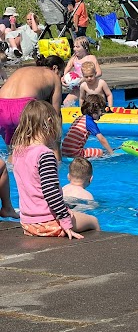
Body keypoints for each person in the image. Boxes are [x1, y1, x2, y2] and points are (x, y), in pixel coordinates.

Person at [12, 101, 99, 238]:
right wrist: (65, 221)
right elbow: (51, 192)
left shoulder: (18, 152)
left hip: (27, 223)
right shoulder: (45, 154)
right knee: (94, 221)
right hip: (48, 223)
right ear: (49, 122)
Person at [0, 55, 64, 146]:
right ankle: (57, 159)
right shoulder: (54, 76)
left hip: (1, 107)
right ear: (55, 68)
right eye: (62, 74)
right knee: (34, 146)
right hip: (23, 107)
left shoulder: (22, 70)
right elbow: (56, 115)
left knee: (12, 149)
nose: (61, 78)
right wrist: (57, 144)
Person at [62, 94, 114, 158]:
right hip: (74, 153)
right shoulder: (89, 122)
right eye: (101, 110)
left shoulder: (79, 118)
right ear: (93, 110)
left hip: (63, 150)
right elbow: (101, 139)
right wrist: (111, 152)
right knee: (100, 152)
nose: (102, 113)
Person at [62, 36, 102, 106]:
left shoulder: (91, 58)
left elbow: (99, 73)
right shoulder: (74, 58)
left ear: (85, 48)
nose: (74, 49)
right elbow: (67, 68)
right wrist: (63, 78)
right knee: (66, 102)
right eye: (74, 46)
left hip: (90, 86)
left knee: (91, 105)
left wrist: (85, 78)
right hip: (78, 87)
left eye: (77, 47)